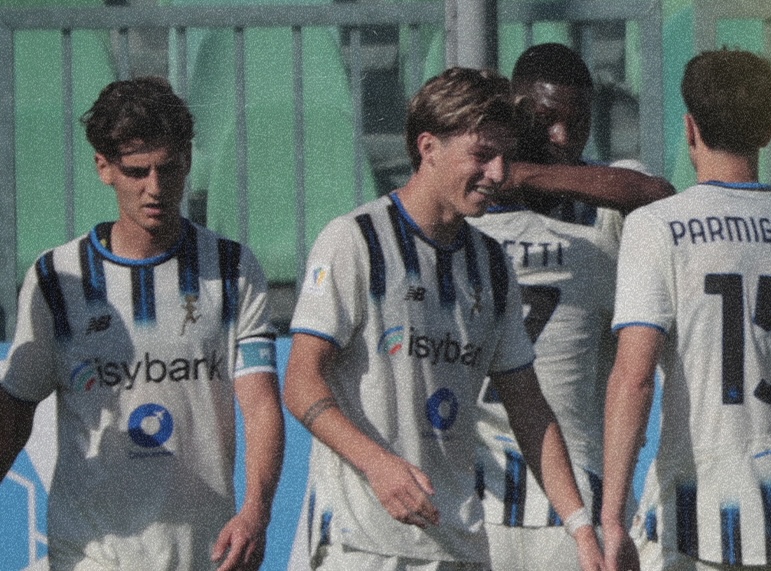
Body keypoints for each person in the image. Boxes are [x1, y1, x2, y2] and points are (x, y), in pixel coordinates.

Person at [283, 66, 604, 571]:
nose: (498, 174)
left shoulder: (491, 264)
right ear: (428, 147)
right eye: (482, 155)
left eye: (505, 157)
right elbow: (301, 383)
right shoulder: (355, 240)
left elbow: (529, 407)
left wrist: (581, 529)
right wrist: (378, 465)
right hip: (361, 544)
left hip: (457, 543)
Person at [0, 76, 284, 570]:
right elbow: (14, 410)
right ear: (104, 168)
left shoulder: (232, 268)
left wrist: (256, 511)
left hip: (202, 551)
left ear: (187, 161)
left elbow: (260, 406)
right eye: (137, 171)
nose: (155, 187)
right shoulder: (56, 280)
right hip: (92, 553)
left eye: (167, 168)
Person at [601, 48, 771, 571]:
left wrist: (611, 518)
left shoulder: (658, 227)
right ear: (768, 131)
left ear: (690, 128)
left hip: (694, 530)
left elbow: (634, 379)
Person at [471, 42, 667, 571]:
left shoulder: (606, 201)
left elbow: (660, 197)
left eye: (577, 125)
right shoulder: (470, 205)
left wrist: (528, 174)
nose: (562, 137)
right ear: (516, 114)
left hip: (580, 493)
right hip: (480, 489)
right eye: (545, 120)